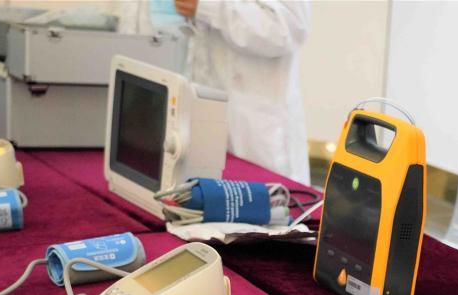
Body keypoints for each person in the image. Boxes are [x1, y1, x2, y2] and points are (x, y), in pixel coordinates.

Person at [113, 0, 312, 184]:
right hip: (203, 116)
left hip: (255, 134)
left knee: (265, 200)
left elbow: (289, 28)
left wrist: (208, 7)